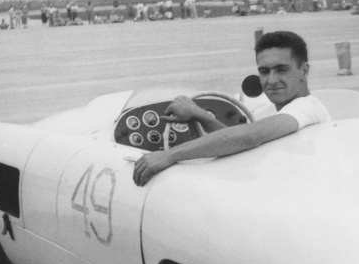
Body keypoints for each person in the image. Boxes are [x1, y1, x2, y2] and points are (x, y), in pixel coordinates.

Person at [133, 31, 331, 186]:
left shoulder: (307, 107)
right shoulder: (288, 114)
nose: (271, 80)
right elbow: (240, 143)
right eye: (264, 71)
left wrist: (168, 155)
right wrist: (199, 115)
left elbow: (250, 136)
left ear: (304, 71)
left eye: (281, 69)